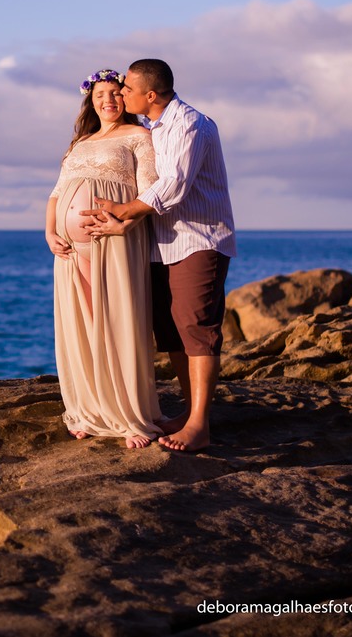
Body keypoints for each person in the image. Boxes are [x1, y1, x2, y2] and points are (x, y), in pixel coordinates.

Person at [84, 58, 236, 453]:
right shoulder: (150, 127)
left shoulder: (190, 124)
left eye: (127, 90)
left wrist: (124, 212)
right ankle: (188, 412)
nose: (121, 94)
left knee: (197, 330)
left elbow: (173, 186)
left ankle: (200, 425)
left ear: (150, 95)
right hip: (160, 245)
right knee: (171, 333)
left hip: (197, 241)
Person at [46, 68, 163, 449]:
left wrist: (123, 225)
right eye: (100, 95)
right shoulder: (80, 143)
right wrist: (50, 232)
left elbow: (148, 192)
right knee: (82, 326)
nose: (108, 100)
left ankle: (129, 416)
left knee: (116, 322)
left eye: (115, 93)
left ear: (125, 98)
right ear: (91, 101)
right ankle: (89, 411)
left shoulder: (139, 137)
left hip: (115, 239)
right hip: (69, 250)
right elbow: (56, 193)